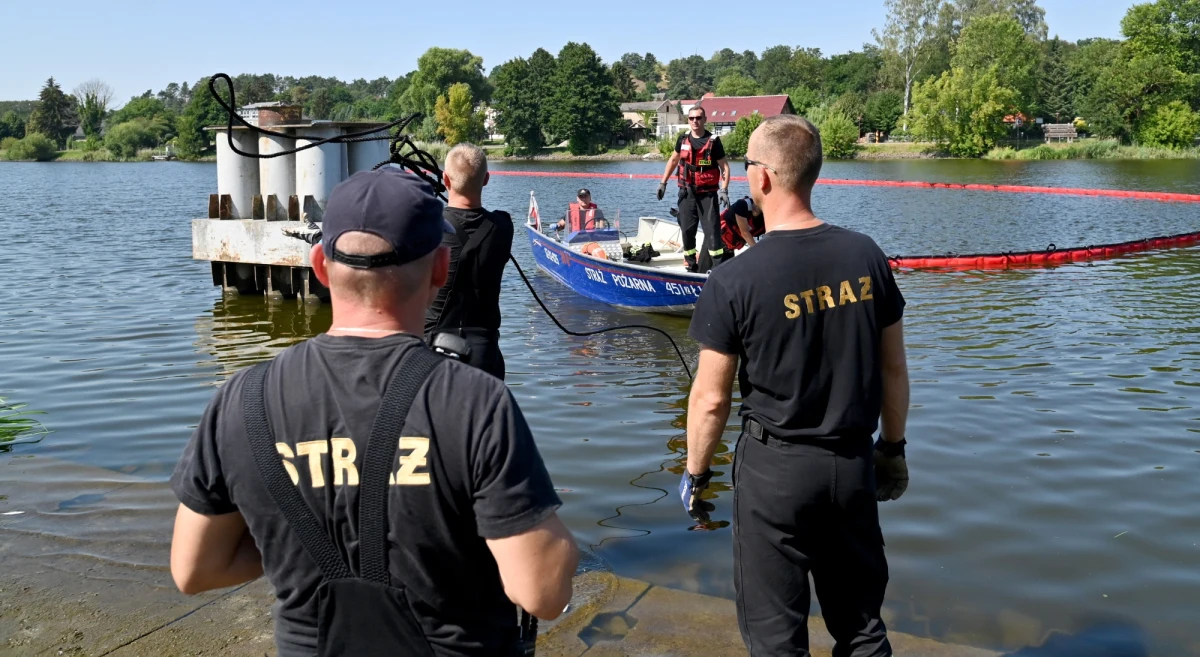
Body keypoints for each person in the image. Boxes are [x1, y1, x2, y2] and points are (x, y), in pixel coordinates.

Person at [170, 168, 579, 657]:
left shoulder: (242, 399)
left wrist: (291, 538)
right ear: (440, 269)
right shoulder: (475, 402)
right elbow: (542, 593)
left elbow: (195, 570)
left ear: (319, 266)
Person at [680, 115, 910, 657]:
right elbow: (894, 370)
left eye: (745, 168)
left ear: (762, 178)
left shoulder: (733, 279)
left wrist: (696, 473)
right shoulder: (866, 256)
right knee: (861, 630)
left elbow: (711, 398)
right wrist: (893, 450)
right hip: (851, 464)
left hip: (775, 473)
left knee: (777, 638)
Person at [425, 143, 514, 380]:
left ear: (445, 179)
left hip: (435, 347)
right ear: (486, 179)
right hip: (485, 351)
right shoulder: (503, 226)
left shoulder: (427, 226)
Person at [656, 107, 731, 273]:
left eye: (698, 118)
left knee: (712, 233)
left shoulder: (713, 141)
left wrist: (724, 190)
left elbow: (724, 166)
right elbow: (673, 160)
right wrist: (663, 183)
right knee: (687, 231)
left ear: (704, 119)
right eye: (691, 118)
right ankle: (691, 264)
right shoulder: (682, 140)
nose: (695, 121)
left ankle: (718, 269)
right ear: (688, 120)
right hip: (687, 192)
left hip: (708, 195)